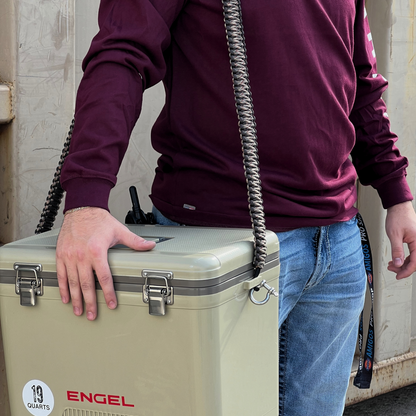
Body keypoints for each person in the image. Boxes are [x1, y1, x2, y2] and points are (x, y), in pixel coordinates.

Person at [56, 0, 416, 415]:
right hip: (226, 246)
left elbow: (361, 86)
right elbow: (121, 55)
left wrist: (396, 193)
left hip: (337, 247)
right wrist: (85, 201)